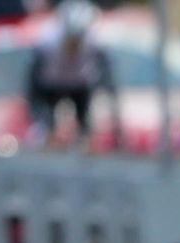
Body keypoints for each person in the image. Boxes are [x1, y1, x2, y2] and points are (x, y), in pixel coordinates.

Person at [25, 0, 118, 150]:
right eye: (70, 39)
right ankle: (50, 143)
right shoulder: (48, 41)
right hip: (51, 85)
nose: (74, 44)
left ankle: (84, 147)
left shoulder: (93, 41)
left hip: (80, 84)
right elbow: (33, 79)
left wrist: (103, 89)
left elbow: (106, 71)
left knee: (85, 123)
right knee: (47, 123)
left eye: (78, 39)